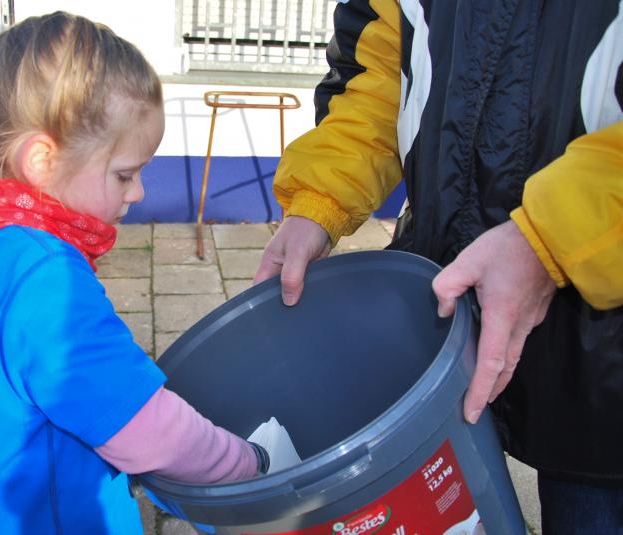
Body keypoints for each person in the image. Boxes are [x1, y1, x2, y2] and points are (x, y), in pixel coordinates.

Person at [254, 1, 622, 532]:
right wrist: (320, 199)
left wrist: (557, 236)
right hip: (442, 300)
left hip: (605, 337)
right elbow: (377, 76)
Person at [0, 12, 268, 535]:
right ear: (43, 161)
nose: (139, 192)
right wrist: (250, 464)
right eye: (125, 174)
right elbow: (147, 430)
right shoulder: (51, 286)